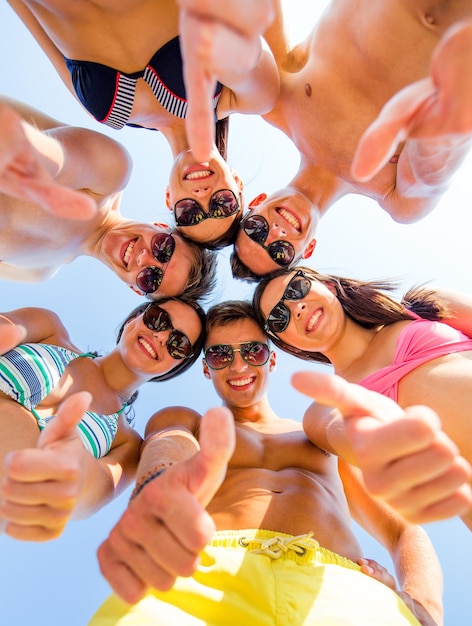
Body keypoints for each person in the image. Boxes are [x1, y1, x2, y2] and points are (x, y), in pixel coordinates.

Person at [88, 300, 460, 625]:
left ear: (272, 359)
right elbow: (168, 450)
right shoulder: (192, 423)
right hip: (201, 569)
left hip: (337, 583)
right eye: (220, 355)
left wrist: (423, 605)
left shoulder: (315, 432)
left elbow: (404, 531)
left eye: (253, 351)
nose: (237, 365)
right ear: (206, 369)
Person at [171, 0, 472, 277]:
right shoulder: (396, 198)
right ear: (309, 249)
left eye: (257, 229)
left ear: (258, 201)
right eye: (280, 251)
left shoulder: (276, 105)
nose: (275, 231)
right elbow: (438, 156)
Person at [6, 0, 280, 248]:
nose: (202, 196)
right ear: (238, 183)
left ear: (168, 199)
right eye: (223, 204)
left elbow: (38, 28)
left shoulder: (112, 117)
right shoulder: (247, 97)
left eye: (189, 212)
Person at [253, 266, 472, 529]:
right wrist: (375, 444)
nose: (295, 309)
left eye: (296, 289)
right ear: (287, 343)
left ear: (328, 286)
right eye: (279, 317)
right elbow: (342, 433)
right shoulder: (323, 409)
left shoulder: (426, 304)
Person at [0, 296, 206, 541]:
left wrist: (75, 465)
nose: (161, 337)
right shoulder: (48, 328)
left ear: (175, 367)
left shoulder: (127, 445)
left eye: (178, 344)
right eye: (158, 319)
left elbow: (86, 500)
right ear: (134, 318)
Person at [0, 97, 216, 299]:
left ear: (136, 290)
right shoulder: (111, 172)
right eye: (163, 248)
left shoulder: (38, 271)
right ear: (160, 226)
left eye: (151, 279)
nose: (144, 258)